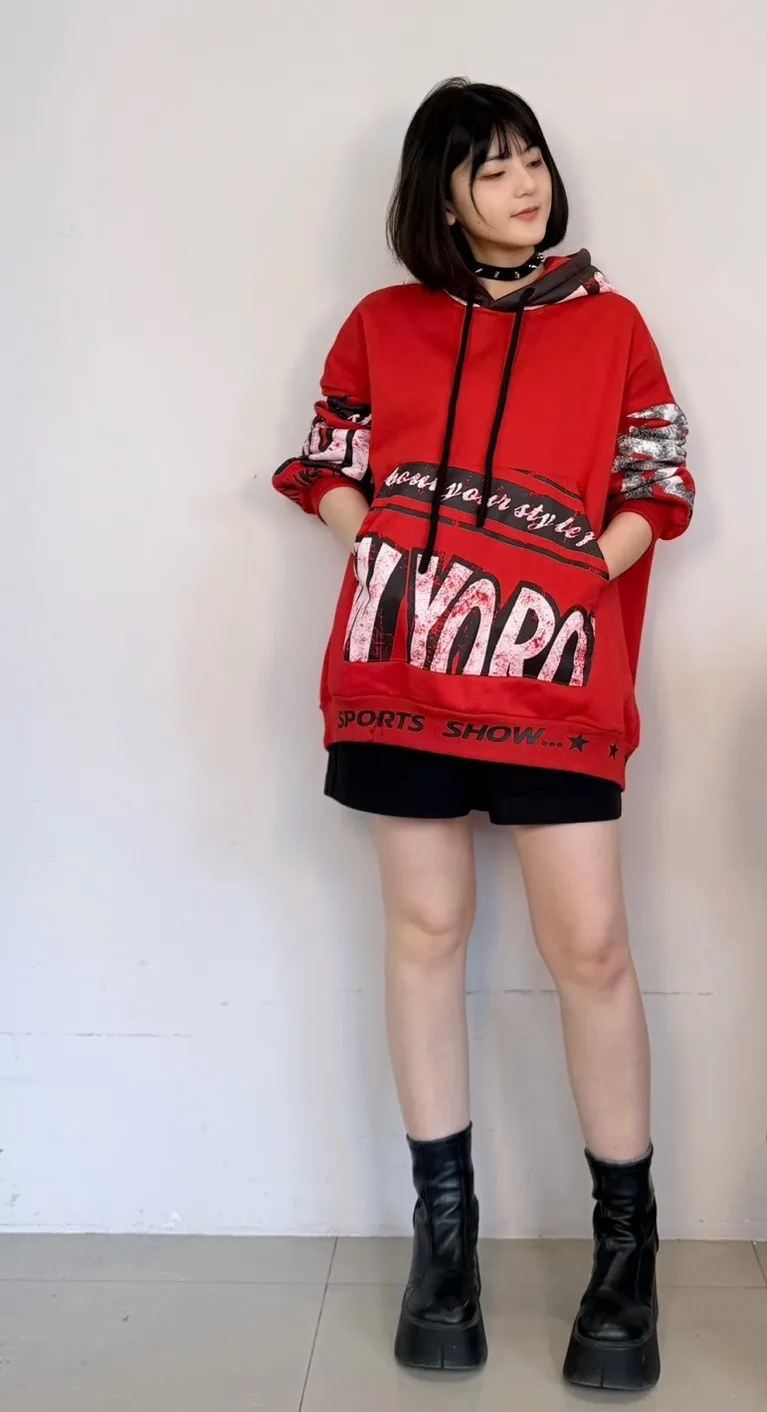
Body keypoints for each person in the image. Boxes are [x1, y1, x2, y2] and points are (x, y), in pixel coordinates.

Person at [272, 77, 695, 1392]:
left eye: (534, 162)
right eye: (494, 167)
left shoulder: (613, 325)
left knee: (594, 949)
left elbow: (659, 478)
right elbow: (325, 459)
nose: (526, 186)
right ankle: (442, 1249)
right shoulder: (382, 323)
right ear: (441, 196)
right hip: (401, 675)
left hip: (554, 680)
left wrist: (575, 576)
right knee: (425, 934)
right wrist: (386, 552)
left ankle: (625, 1258)